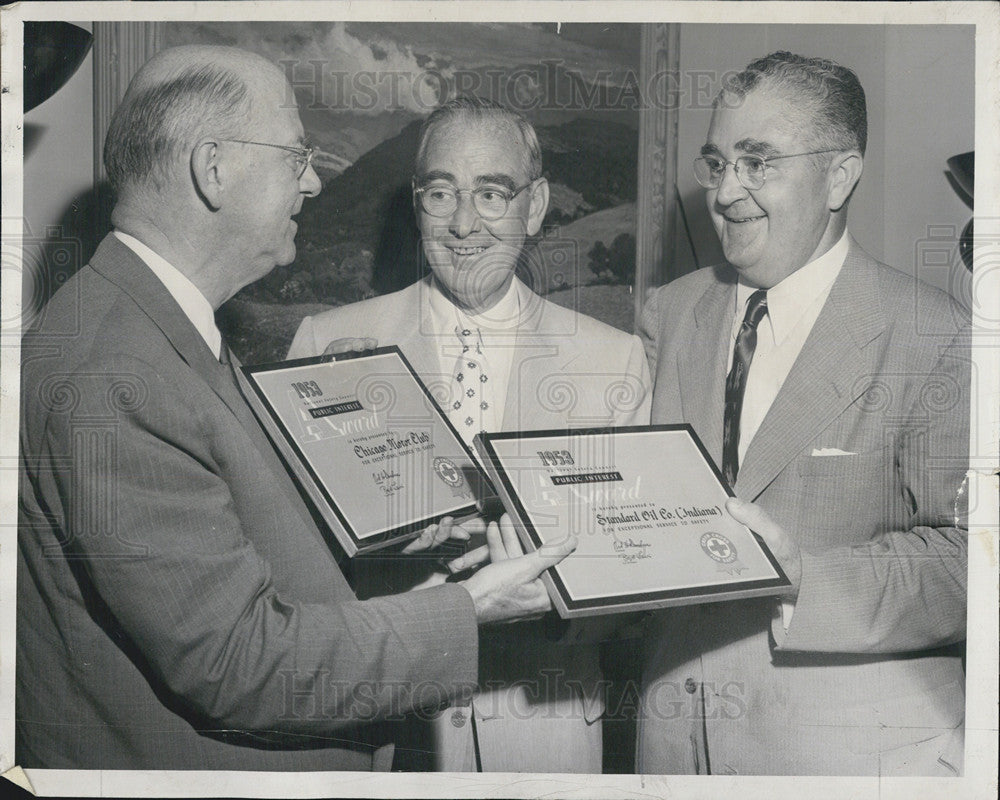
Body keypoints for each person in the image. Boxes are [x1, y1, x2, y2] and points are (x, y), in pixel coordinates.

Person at [16, 46, 577, 771]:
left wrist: (374, 531)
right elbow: (239, 663)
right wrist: (469, 609)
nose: (312, 181)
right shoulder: (119, 373)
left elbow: (219, 527)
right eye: (295, 154)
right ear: (213, 170)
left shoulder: (147, 326)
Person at [287, 96, 652, 772]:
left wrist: (550, 601)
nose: (462, 225)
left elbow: (634, 577)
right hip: (377, 725)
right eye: (439, 193)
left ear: (535, 205)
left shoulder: (612, 360)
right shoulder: (328, 345)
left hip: (541, 726)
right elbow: (295, 567)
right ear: (417, 203)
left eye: (491, 193)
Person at [636, 51, 969, 776]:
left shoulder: (934, 334)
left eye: (758, 163)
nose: (726, 193)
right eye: (717, 163)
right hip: (671, 748)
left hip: (845, 760)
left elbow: (972, 562)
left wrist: (804, 578)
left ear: (840, 176)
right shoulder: (672, 311)